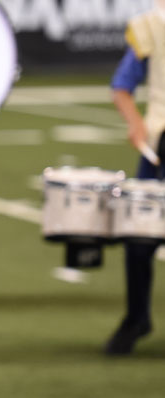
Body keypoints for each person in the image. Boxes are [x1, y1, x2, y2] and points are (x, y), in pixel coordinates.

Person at [107, 2, 164, 354]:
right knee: (140, 237)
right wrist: (136, 124)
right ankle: (137, 317)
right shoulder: (153, 24)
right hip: (161, 143)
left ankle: (136, 318)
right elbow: (121, 86)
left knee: (141, 239)